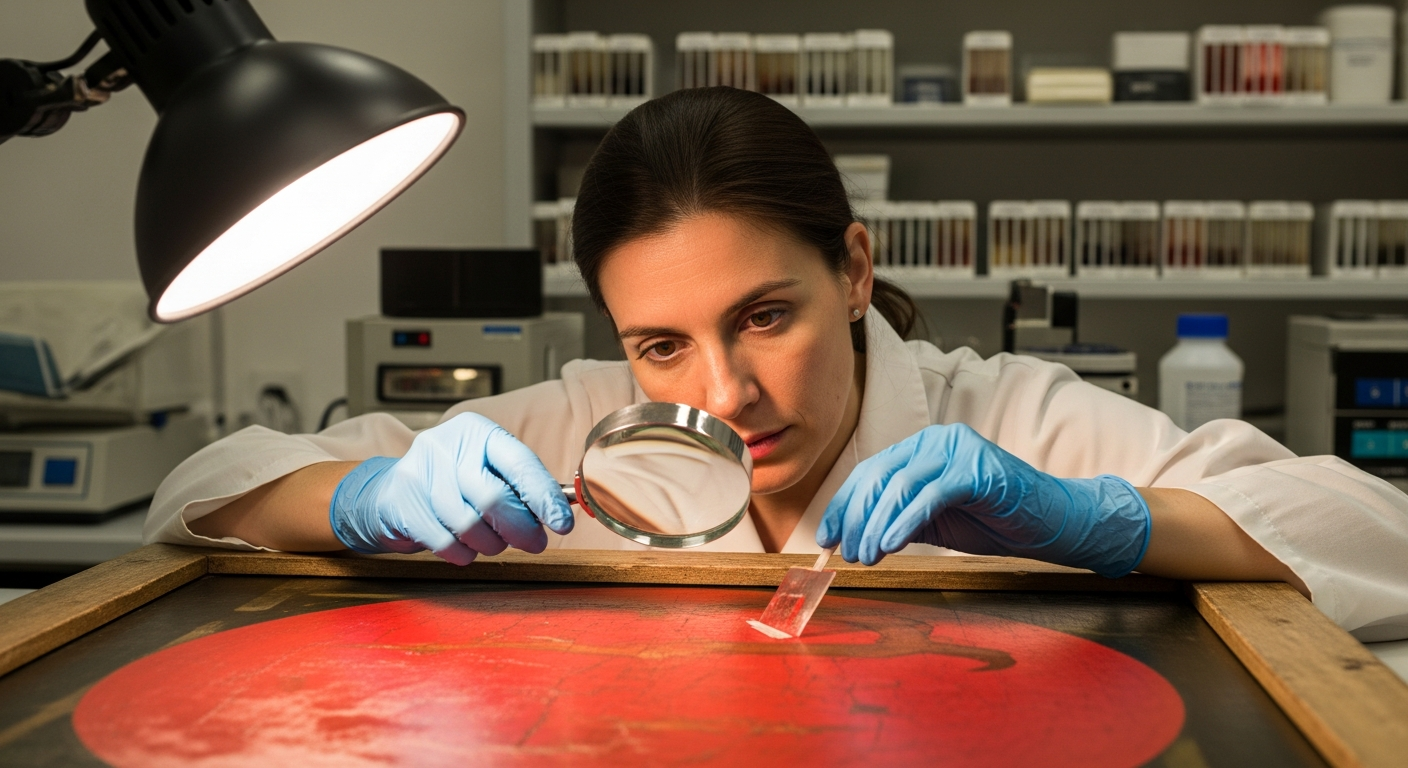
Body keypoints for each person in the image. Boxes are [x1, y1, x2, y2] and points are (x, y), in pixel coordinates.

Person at [147, 87, 1408, 641]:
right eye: (660, 342)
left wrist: (1095, 522)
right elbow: (202, 485)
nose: (722, 395)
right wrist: (366, 500)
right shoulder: (590, 422)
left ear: (852, 271)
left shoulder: (1004, 412)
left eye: (764, 316)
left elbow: (1376, 536)